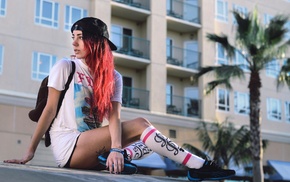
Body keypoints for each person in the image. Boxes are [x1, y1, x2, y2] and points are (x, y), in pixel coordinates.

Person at [4, 17, 235, 181]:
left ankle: (119, 156)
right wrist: (30, 152)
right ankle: (199, 166)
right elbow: (49, 110)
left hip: (92, 145)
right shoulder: (66, 67)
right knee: (142, 125)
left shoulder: (113, 77)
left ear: (95, 42)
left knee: (150, 141)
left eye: (80, 38)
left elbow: (114, 117)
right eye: (73, 37)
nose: (73, 43)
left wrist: (116, 148)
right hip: (69, 146)